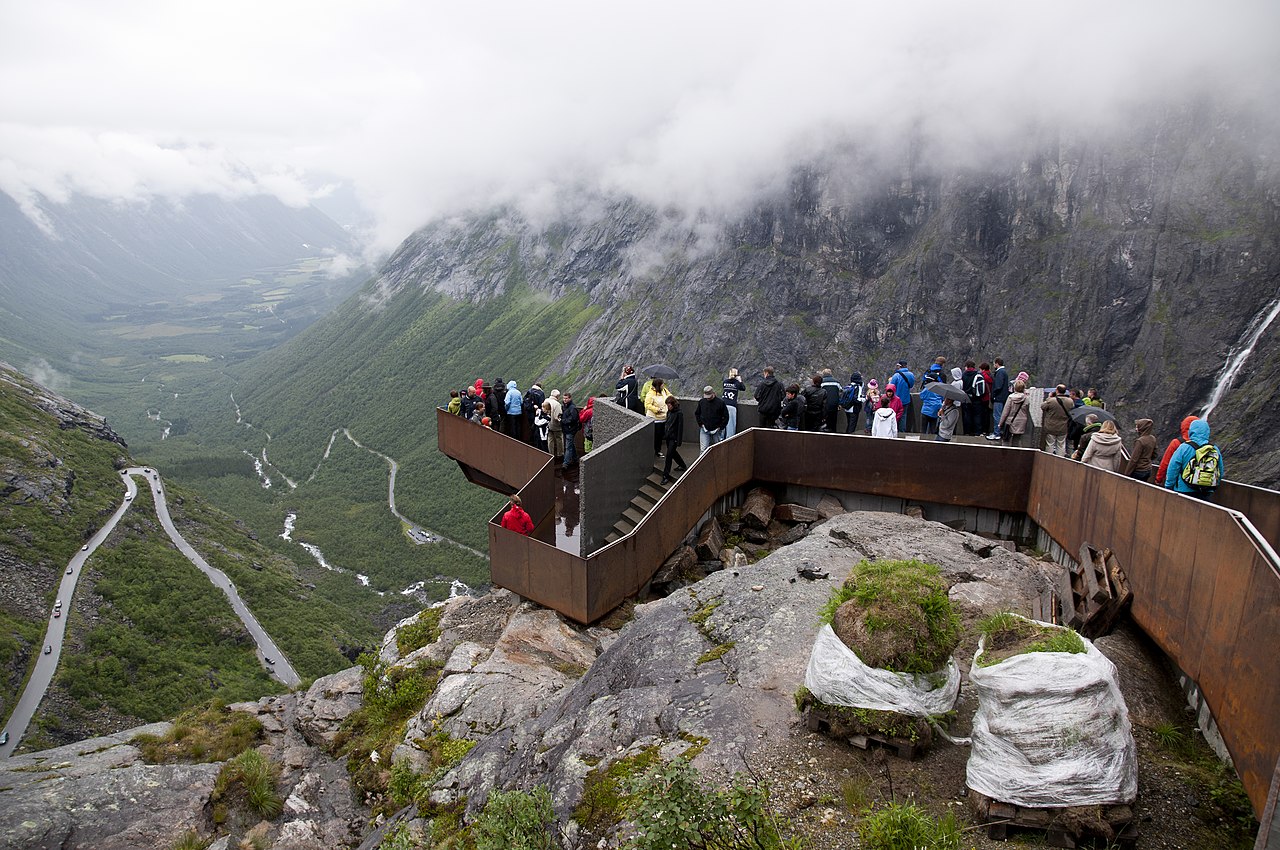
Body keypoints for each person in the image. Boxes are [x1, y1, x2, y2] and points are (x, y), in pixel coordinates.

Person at [1164, 419, 1223, 499]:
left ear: (1191, 431)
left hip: (1183, 490)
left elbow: (1173, 467)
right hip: (1205, 491)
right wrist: (1212, 487)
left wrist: (1169, 486)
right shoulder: (1214, 449)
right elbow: (1220, 471)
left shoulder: (1184, 447)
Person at [1156, 415, 1197, 485]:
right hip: (1199, 485)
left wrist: (1158, 479)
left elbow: (1165, 463)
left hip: (1179, 484)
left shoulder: (1177, 443)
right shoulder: (1207, 447)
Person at [660, 396, 689, 485]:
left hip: (674, 438)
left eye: (669, 405)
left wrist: (678, 440)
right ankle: (682, 465)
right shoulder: (670, 412)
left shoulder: (679, 413)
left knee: (669, 455)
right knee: (673, 453)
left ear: (672, 404)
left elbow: (680, 427)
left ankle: (666, 475)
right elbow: (668, 423)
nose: (668, 407)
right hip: (669, 436)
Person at [1040, 384, 1073, 456]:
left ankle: (1049, 458)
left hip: (1051, 426)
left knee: (1050, 444)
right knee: (1061, 444)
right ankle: (1060, 459)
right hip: (1063, 426)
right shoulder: (1070, 401)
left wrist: (1049, 398)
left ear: (1057, 390)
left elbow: (1043, 406)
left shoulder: (1051, 401)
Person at [997, 380, 1031, 446]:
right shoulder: (1026, 399)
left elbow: (1005, 412)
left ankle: (1005, 454)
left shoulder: (1010, 398)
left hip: (1010, 421)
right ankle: (1015, 454)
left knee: (1006, 439)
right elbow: (1026, 410)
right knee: (1016, 440)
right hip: (1022, 421)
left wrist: (1000, 423)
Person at [695, 385, 729, 451]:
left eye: (709, 397)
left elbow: (726, 416)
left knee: (718, 448)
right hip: (704, 429)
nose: (708, 399)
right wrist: (701, 424)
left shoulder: (720, 403)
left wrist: (720, 427)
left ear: (713, 393)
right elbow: (697, 413)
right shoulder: (702, 402)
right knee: (703, 449)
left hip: (716, 430)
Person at [645, 377, 673, 455]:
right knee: (656, 436)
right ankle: (655, 451)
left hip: (664, 417)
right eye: (662, 384)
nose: (663, 386)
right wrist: (656, 410)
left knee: (661, 435)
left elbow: (670, 396)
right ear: (658, 385)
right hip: (655, 418)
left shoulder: (664, 390)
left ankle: (658, 450)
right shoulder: (650, 394)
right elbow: (647, 405)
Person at [888, 360, 915, 432]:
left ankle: (893, 430)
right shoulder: (911, 375)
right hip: (906, 399)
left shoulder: (896, 376)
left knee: (894, 415)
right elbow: (911, 385)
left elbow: (891, 387)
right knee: (903, 416)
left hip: (896, 399)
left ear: (899, 366)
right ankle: (902, 432)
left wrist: (890, 381)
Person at [961, 361, 986, 437]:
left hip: (966, 398)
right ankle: (977, 432)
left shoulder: (964, 375)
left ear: (967, 366)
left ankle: (967, 431)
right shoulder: (978, 375)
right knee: (977, 416)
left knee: (967, 415)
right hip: (976, 399)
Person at [988, 358, 1010, 441]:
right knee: (1000, 415)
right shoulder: (1004, 372)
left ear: (997, 364)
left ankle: (996, 433)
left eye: (994, 364)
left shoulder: (1000, 373)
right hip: (1003, 397)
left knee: (997, 416)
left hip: (998, 398)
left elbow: (998, 386)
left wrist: (994, 395)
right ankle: (999, 432)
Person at [722, 368, 747, 437]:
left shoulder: (725, 382)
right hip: (731, 405)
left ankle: (720, 441)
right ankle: (729, 440)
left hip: (723, 404)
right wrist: (740, 380)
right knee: (731, 426)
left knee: (722, 424)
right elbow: (743, 388)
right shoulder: (737, 383)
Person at [560, 392, 581, 467]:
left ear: (570, 398)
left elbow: (573, 418)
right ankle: (575, 459)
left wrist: (563, 421)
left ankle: (566, 463)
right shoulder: (565, 406)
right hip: (566, 428)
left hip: (570, 429)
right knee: (571, 444)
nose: (565, 400)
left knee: (568, 446)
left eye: (566, 398)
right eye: (564, 398)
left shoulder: (572, 408)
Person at [523, 382, 546, 446]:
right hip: (536, 413)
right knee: (537, 428)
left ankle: (531, 440)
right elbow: (542, 404)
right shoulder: (541, 393)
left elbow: (524, 400)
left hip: (528, 412)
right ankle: (537, 443)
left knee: (531, 426)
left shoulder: (529, 391)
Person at [547, 390, 564, 460]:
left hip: (548, 424)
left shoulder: (546, 400)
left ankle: (551, 454)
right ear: (557, 396)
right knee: (559, 439)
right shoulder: (557, 404)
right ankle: (560, 454)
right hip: (555, 425)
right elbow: (557, 415)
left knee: (550, 439)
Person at [978, 362, 995, 436]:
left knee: (983, 414)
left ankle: (983, 430)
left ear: (983, 369)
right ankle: (987, 430)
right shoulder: (991, 375)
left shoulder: (983, 376)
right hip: (990, 397)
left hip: (984, 397)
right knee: (987, 414)